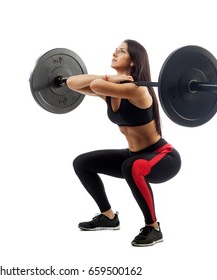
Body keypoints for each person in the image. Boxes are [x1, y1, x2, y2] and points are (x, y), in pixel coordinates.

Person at [66, 39, 182, 247]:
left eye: (122, 51)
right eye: (115, 49)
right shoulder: (112, 90)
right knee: (81, 163)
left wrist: (108, 79)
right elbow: (72, 83)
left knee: (132, 165)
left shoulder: (138, 91)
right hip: (134, 156)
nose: (115, 53)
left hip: (162, 157)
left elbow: (94, 85)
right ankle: (108, 216)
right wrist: (111, 78)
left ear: (134, 63)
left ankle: (152, 227)